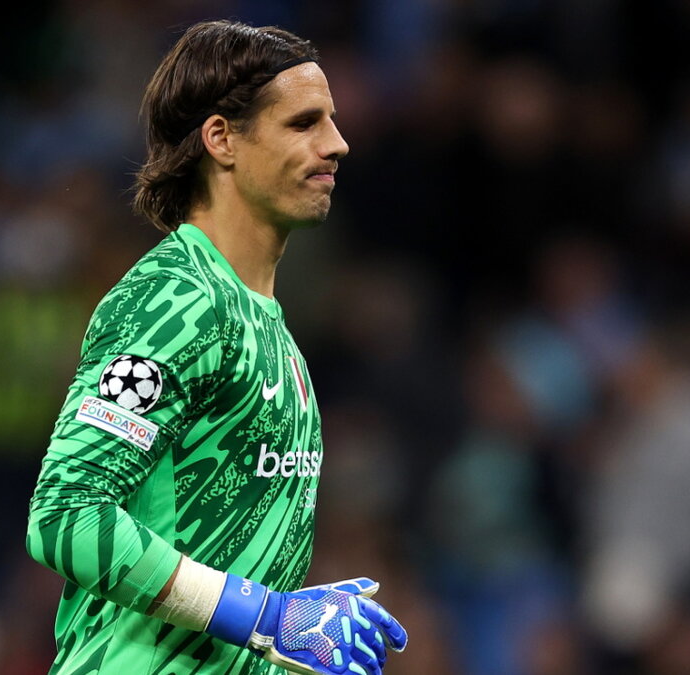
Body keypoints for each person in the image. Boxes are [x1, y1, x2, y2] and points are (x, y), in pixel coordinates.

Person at [25, 20, 408, 675]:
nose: (337, 143)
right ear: (221, 138)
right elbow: (67, 516)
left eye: (333, 121)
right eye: (304, 123)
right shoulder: (176, 299)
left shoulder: (266, 325)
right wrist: (265, 614)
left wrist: (284, 629)